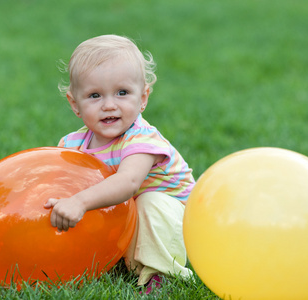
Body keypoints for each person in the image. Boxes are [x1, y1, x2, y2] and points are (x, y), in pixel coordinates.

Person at [44, 34, 195, 293]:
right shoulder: (71, 144)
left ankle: (161, 273)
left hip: (177, 223)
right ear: (74, 104)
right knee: (84, 198)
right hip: (129, 215)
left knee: (148, 202)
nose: (109, 105)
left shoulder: (142, 139)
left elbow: (127, 183)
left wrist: (79, 201)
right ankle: (113, 260)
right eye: (94, 95)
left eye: (122, 93)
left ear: (143, 97)